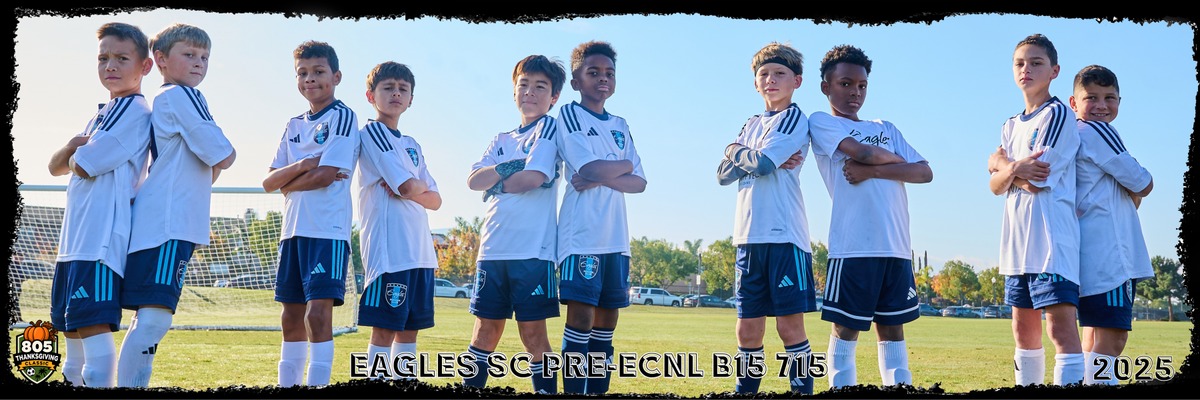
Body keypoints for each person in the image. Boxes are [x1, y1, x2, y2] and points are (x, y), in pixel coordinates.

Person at [807, 45, 932, 389]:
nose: (855, 93)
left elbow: (924, 172)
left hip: (896, 247)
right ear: (826, 87)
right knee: (846, 330)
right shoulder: (823, 122)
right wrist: (894, 161)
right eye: (846, 84)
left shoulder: (886, 127)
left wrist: (872, 170)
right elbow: (861, 151)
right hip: (854, 247)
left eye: (862, 86)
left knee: (892, 329)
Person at [118, 23, 236, 388]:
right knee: (154, 320)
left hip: (162, 219)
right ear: (161, 60)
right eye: (189, 54)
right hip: (169, 222)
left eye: (204, 57)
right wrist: (224, 152)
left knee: (147, 319)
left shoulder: (170, 97)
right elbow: (223, 154)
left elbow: (209, 164)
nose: (199, 63)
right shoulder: (182, 95)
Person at [47, 21, 154, 388]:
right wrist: (72, 148)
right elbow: (54, 166)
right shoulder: (101, 114)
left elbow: (84, 164)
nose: (110, 65)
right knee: (72, 348)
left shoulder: (133, 110)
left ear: (145, 66)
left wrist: (75, 152)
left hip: (100, 243)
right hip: (73, 243)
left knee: (93, 338)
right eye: (103, 58)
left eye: (122, 58)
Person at [715, 41, 816, 394]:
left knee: (789, 329)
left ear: (796, 81)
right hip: (747, 238)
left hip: (784, 236)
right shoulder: (752, 123)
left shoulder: (794, 119)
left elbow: (760, 164)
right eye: (764, 74)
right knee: (747, 330)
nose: (770, 80)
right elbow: (721, 175)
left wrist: (734, 150)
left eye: (779, 73)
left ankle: (801, 391)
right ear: (755, 83)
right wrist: (750, 154)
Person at [462, 55, 566, 393]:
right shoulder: (501, 139)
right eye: (524, 85)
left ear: (554, 97)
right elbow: (474, 181)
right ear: (514, 91)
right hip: (493, 249)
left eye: (540, 86)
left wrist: (496, 181)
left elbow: (533, 178)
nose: (530, 92)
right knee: (484, 332)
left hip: (532, 252)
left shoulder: (548, 128)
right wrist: (510, 167)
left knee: (533, 335)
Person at [986, 33, 1083, 386]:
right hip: (1016, 246)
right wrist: (1013, 169)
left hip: (1051, 245)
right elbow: (995, 186)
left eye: (1036, 63)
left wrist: (1001, 166)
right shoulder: (1010, 125)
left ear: (1054, 71)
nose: (1026, 69)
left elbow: (1039, 178)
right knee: (1023, 330)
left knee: (1060, 330)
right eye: (1020, 63)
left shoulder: (1057, 114)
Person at [550, 40, 646, 394]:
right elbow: (587, 167)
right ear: (576, 81)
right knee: (582, 317)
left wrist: (604, 174)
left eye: (609, 73)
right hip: (582, 236)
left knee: (608, 319)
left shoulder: (620, 123)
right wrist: (620, 166)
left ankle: (598, 391)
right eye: (593, 72)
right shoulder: (570, 115)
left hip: (616, 239)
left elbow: (639, 182)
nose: (603, 78)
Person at [261, 40, 359, 387]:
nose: (310, 79)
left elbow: (326, 175)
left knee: (317, 316)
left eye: (318, 71)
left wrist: (291, 180)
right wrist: (303, 165)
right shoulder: (293, 124)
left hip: (326, 231)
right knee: (290, 316)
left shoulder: (342, 116)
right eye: (302, 73)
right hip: (292, 232)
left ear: (336, 77)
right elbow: (270, 182)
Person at [354, 61, 442, 381]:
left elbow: (435, 200)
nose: (396, 93)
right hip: (390, 252)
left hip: (420, 252)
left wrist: (412, 188)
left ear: (411, 99)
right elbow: (407, 187)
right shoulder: (373, 132)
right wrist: (414, 188)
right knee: (384, 329)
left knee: (409, 330)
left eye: (403, 89)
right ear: (370, 95)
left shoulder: (412, 145)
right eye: (388, 87)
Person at [1067, 65, 1154, 385]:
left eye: (1110, 97)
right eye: (1091, 97)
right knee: (1113, 337)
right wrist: (1137, 184)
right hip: (1110, 255)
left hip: (1083, 249)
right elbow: (1143, 183)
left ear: (1120, 100)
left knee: (1092, 335)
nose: (1102, 105)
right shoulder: (1097, 131)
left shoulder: (1070, 135)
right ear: (1073, 103)